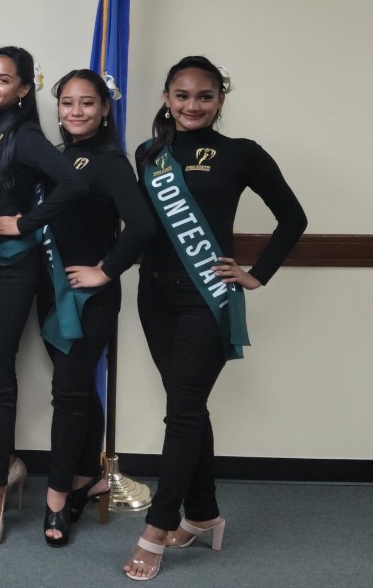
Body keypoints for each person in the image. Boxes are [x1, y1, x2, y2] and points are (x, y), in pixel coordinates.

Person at [123, 56, 305, 582]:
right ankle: (202, 514)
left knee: (180, 414)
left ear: (220, 100)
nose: (192, 105)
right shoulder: (149, 154)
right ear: (166, 97)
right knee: (188, 407)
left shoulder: (242, 154)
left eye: (204, 96)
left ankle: (157, 529)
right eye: (181, 95)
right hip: (153, 296)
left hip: (207, 297)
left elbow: (293, 217)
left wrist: (258, 273)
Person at [0, 46, 87, 546]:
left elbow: (73, 185)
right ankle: (9, 466)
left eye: (4, 79)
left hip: (15, 269)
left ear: (22, 90)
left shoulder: (26, 134)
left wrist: (25, 223)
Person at [36, 69, 153, 547]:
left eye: (87, 103)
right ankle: (88, 475)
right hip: (52, 292)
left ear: (106, 109)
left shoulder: (109, 162)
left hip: (89, 297)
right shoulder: (59, 156)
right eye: (67, 102)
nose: (76, 112)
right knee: (79, 389)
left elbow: (143, 224)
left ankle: (58, 498)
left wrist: (106, 270)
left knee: (67, 393)